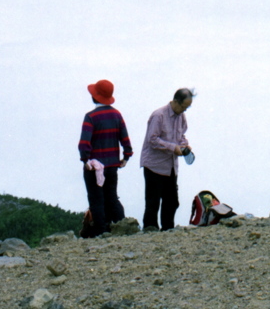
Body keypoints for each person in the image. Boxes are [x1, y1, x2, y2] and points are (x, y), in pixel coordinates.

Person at [78, 79, 132, 237]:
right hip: (112, 166)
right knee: (112, 198)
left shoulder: (90, 117)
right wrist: (126, 157)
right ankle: (123, 227)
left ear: (94, 97)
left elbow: (84, 143)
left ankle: (101, 233)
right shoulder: (117, 115)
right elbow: (125, 139)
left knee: (96, 201)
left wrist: (85, 160)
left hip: (94, 167)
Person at [140, 88, 193, 231]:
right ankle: (150, 231)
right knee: (153, 202)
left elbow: (181, 137)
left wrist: (184, 146)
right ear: (175, 101)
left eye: (187, 107)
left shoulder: (181, 117)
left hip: (171, 166)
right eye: (183, 106)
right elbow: (152, 139)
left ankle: (168, 230)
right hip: (154, 165)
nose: (184, 110)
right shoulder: (159, 115)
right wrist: (172, 147)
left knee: (172, 201)